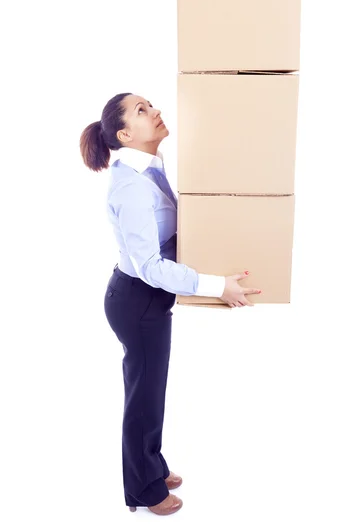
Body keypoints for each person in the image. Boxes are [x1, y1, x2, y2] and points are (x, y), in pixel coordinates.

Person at [79, 92, 262, 515]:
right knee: (143, 397)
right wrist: (218, 285)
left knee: (150, 391)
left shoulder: (148, 168)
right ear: (125, 134)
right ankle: (143, 489)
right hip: (138, 301)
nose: (155, 111)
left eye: (151, 104)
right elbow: (150, 267)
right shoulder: (131, 188)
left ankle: (152, 465)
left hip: (144, 300)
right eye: (142, 111)